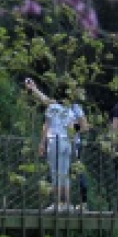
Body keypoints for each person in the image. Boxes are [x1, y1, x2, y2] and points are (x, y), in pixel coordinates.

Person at [28, 79, 87, 211]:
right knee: (65, 174)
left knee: (55, 173)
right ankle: (66, 203)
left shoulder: (53, 108)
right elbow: (78, 127)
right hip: (68, 143)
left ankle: (58, 203)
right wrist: (34, 88)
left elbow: (46, 127)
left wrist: (42, 143)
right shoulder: (70, 109)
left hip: (55, 142)